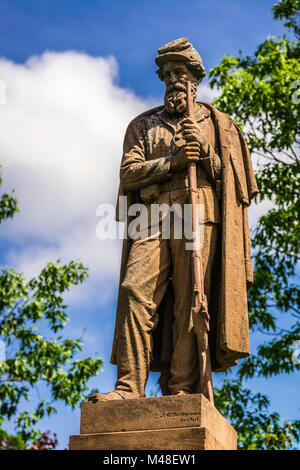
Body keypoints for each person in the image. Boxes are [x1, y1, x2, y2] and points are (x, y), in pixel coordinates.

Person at [89, 38, 258, 402]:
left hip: (200, 214)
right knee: (134, 291)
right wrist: (172, 162)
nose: (172, 81)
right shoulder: (143, 125)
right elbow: (129, 173)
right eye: (166, 75)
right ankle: (128, 387)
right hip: (151, 216)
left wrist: (208, 153)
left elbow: (236, 182)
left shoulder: (217, 123)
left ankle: (182, 388)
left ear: (195, 78)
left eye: (179, 72)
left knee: (191, 299)